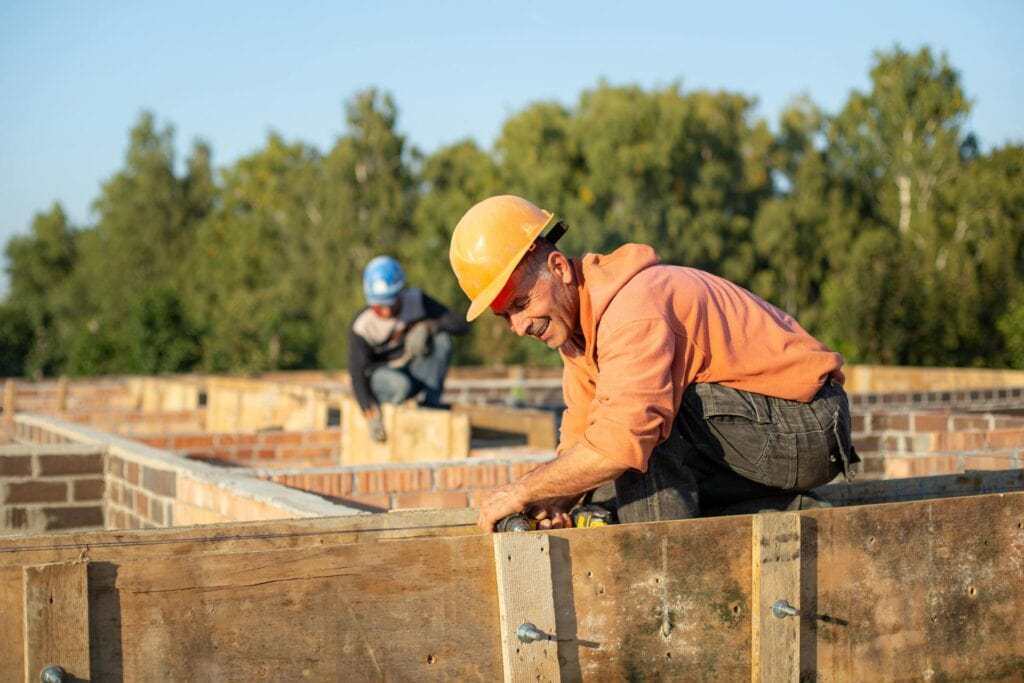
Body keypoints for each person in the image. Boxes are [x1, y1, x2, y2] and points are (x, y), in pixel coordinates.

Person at [448, 195, 859, 531]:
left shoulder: (632, 310)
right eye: (506, 317)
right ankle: (792, 513)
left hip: (809, 426)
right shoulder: (578, 338)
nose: (519, 326)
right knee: (606, 492)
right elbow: (579, 441)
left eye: (521, 304)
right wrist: (552, 499)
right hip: (759, 437)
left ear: (558, 268)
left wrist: (522, 489)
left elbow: (619, 440)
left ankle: (665, 590)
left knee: (639, 435)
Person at [349, 255, 468, 442]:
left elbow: (461, 324)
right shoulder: (363, 326)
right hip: (384, 378)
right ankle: (395, 410)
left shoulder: (417, 301)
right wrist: (369, 414)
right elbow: (357, 376)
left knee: (442, 340)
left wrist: (429, 327)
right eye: (380, 307)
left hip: (413, 370)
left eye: (391, 304)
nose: (387, 312)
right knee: (399, 385)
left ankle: (430, 405)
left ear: (400, 293)